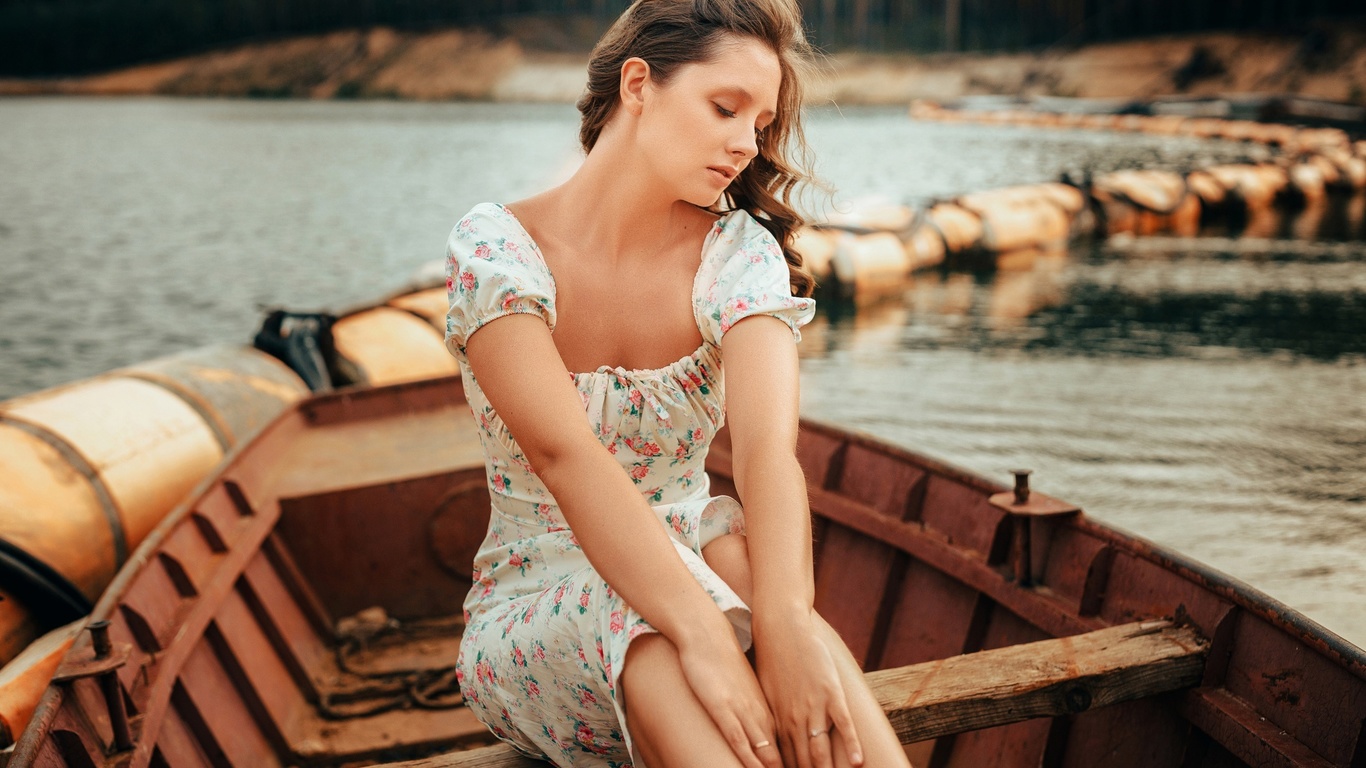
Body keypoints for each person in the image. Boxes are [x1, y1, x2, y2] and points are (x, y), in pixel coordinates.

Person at [444, 1, 912, 766]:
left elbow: (766, 452)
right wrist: (703, 633)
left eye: (759, 125)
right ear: (639, 85)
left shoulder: (736, 255)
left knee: (786, 622)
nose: (743, 144)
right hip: (538, 599)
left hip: (702, 560)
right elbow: (568, 458)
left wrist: (788, 619)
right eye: (724, 107)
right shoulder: (498, 250)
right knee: (655, 634)